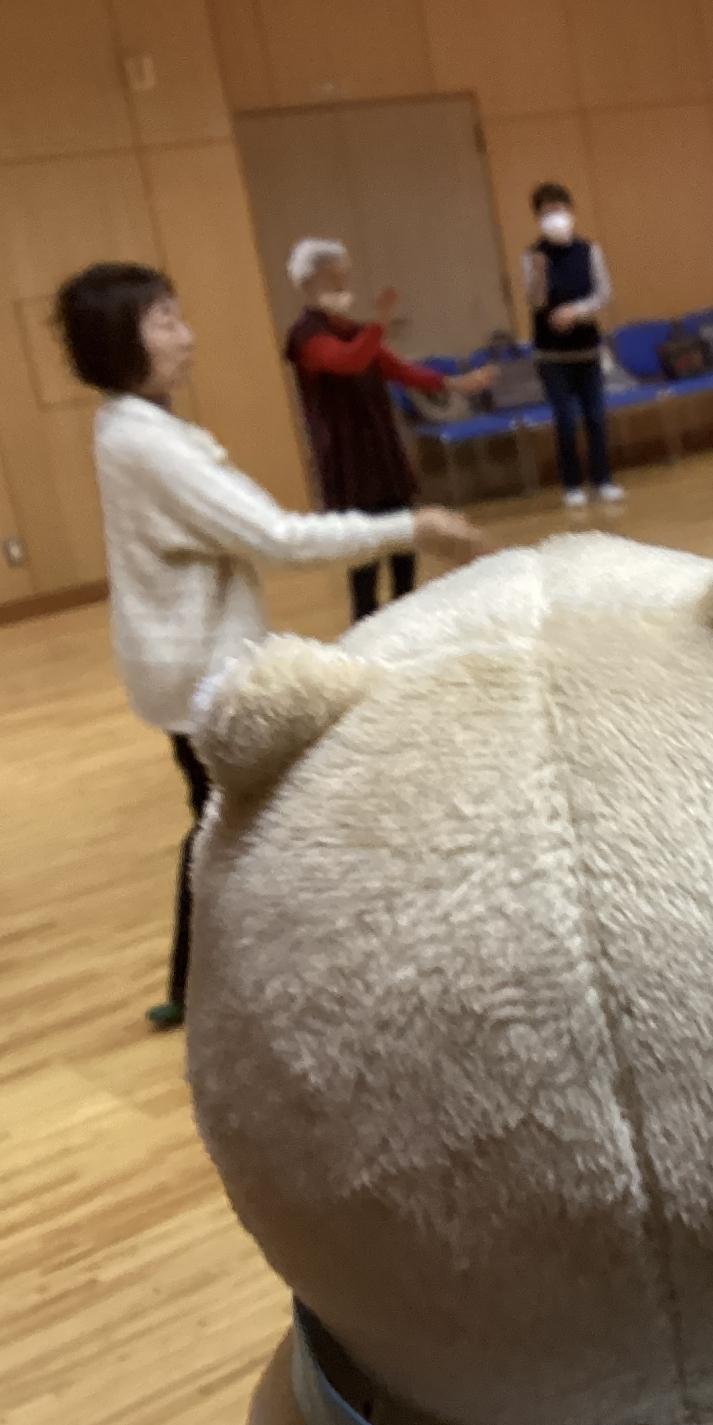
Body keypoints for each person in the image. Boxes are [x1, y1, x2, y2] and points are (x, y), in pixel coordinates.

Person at [55, 262, 488, 1030]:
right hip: (199, 669)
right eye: (165, 321)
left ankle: (206, 982)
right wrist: (413, 526)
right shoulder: (145, 442)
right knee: (256, 817)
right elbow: (277, 537)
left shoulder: (129, 426)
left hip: (182, 663)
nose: (187, 336)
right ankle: (297, 976)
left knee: (224, 820)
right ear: (120, 342)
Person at [285, 239, 498, 622]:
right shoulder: (306, 336)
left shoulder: (354, 329)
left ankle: (406, 618)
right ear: (307, 282)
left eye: (344, 276)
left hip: (381, 452)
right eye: (332, 277)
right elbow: (349, 361)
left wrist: (454, 383)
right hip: (347, 461)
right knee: (363, 555)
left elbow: (398, 369)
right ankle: (366, 627)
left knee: (404, 544)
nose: (342, 284)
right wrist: (380, 323)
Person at [521, 183, 623, 510]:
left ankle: (603, 480)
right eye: (547, 212)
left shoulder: (589, 250)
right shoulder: (532, 255)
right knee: (565, 421)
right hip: (551, 354)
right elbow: (535, 302)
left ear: (570, 211)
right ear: (538, 218)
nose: (555, 217)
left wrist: (576, 312)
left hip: (587, 349)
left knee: (596, 418)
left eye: (559, 209)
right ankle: (572, 485)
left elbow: (603, 294)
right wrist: (539, 276)